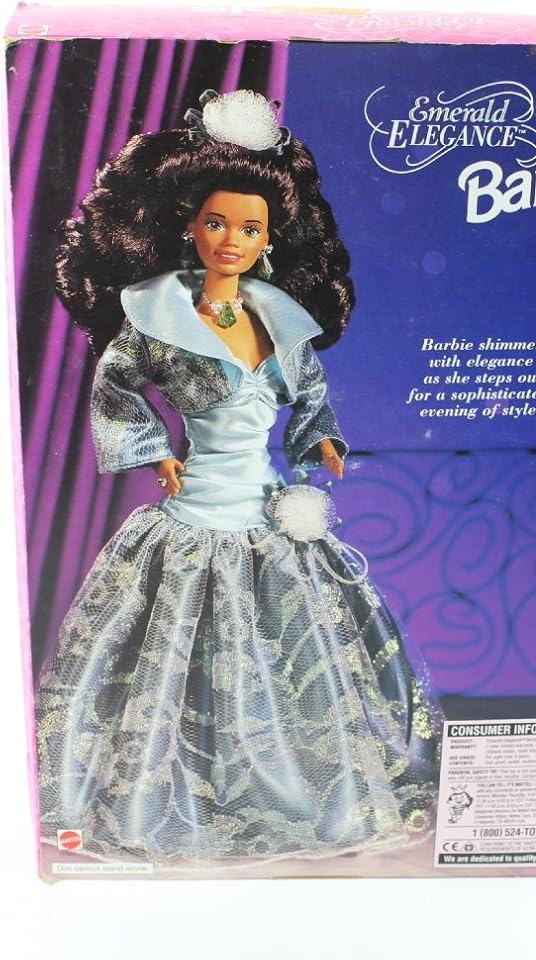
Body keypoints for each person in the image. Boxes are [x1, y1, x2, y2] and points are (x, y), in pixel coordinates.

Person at [36, 89, 439, 864]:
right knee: (176, 657)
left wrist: (320, 437)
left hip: (264, 510)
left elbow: (309, 394)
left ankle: (283, 790)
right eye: (217, 222)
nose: (232, 239)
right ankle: (168, 797)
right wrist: (152, 449)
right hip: (192, 511)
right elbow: (116, 386)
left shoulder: (278, 320)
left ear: (269, 238)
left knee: (284, 656)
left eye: (249, 228)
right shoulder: (157, 316)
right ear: (188, 225)